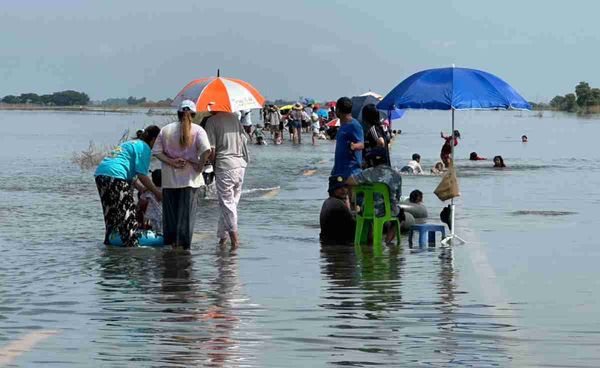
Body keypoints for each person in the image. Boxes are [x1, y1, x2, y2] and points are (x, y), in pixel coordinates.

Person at [153, 100, 211, 249]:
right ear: (193, 114)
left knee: (170, 219)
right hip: (190, 180)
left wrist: (171, 162)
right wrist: (200, 165)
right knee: (186, 220)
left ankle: (170, 251)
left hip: (169, 181)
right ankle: (183, 253)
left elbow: (157, 152)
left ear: (178, 113)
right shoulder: (198, 130)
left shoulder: (166, 130)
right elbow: (207, 150)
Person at [95, 125, 162, 247]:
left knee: (111, 216)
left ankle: (109, 246)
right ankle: (132, 253)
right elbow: (142, 175)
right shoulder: (145, 148)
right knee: (128, 219)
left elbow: (130, 175)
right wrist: (157, 193)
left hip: (101, 175)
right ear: (154, 139)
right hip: (116, 177)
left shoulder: (131, 143)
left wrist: (141, 189)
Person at [204, 111, 249, 248]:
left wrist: (213, 164)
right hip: (240, 165)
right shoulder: (234, 118)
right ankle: (222, 238)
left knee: (227, 204)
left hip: (225, 165)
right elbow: (244, 140)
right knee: (231, 204)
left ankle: (235, 240)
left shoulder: (211, 121)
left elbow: (211, 150)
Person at [355, 148, 404, 244]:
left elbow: (351, 181)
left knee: (369, 219)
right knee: (401, 215)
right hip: (389, 211)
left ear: (372, 161)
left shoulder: (366, 173)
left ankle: (370, 240)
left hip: (367, 210)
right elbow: (398, 196)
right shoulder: (397, 175)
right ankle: (388, 241)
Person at [331, 97, 364, 184]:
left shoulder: (354, 125)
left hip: (351, 172)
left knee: (350, 197)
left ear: (338, 110)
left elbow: (361, 144)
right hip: (339, 171)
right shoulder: (342, 125)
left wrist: (354, 146)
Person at [319, 175, 355, 245]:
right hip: (339, 244)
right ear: (332, 190)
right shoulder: (338, 204)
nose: (343, 190)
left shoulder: (328, 201)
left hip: (327, 242)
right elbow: (354, 224)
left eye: (345, 187)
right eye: (339, 188)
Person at [139, 169, 163, 233]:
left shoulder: (149, 191)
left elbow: (141, 203)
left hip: (150, 219)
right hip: (163, 219)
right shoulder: (166, 191)